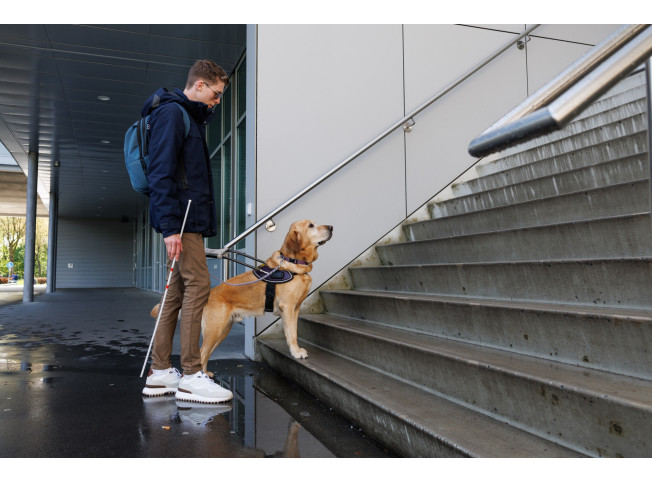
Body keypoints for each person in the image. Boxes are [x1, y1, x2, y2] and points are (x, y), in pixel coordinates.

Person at [141, 59, 233, 403]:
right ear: (199, 85)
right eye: (216, 93)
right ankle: (192, 374)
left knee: (176, 293)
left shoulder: (187, 117)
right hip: (182, 222)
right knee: (199, 285)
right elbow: (160, 174)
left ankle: (161, 371)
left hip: (186, 220)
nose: (218, 101)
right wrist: (169, 228)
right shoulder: (172, 114)